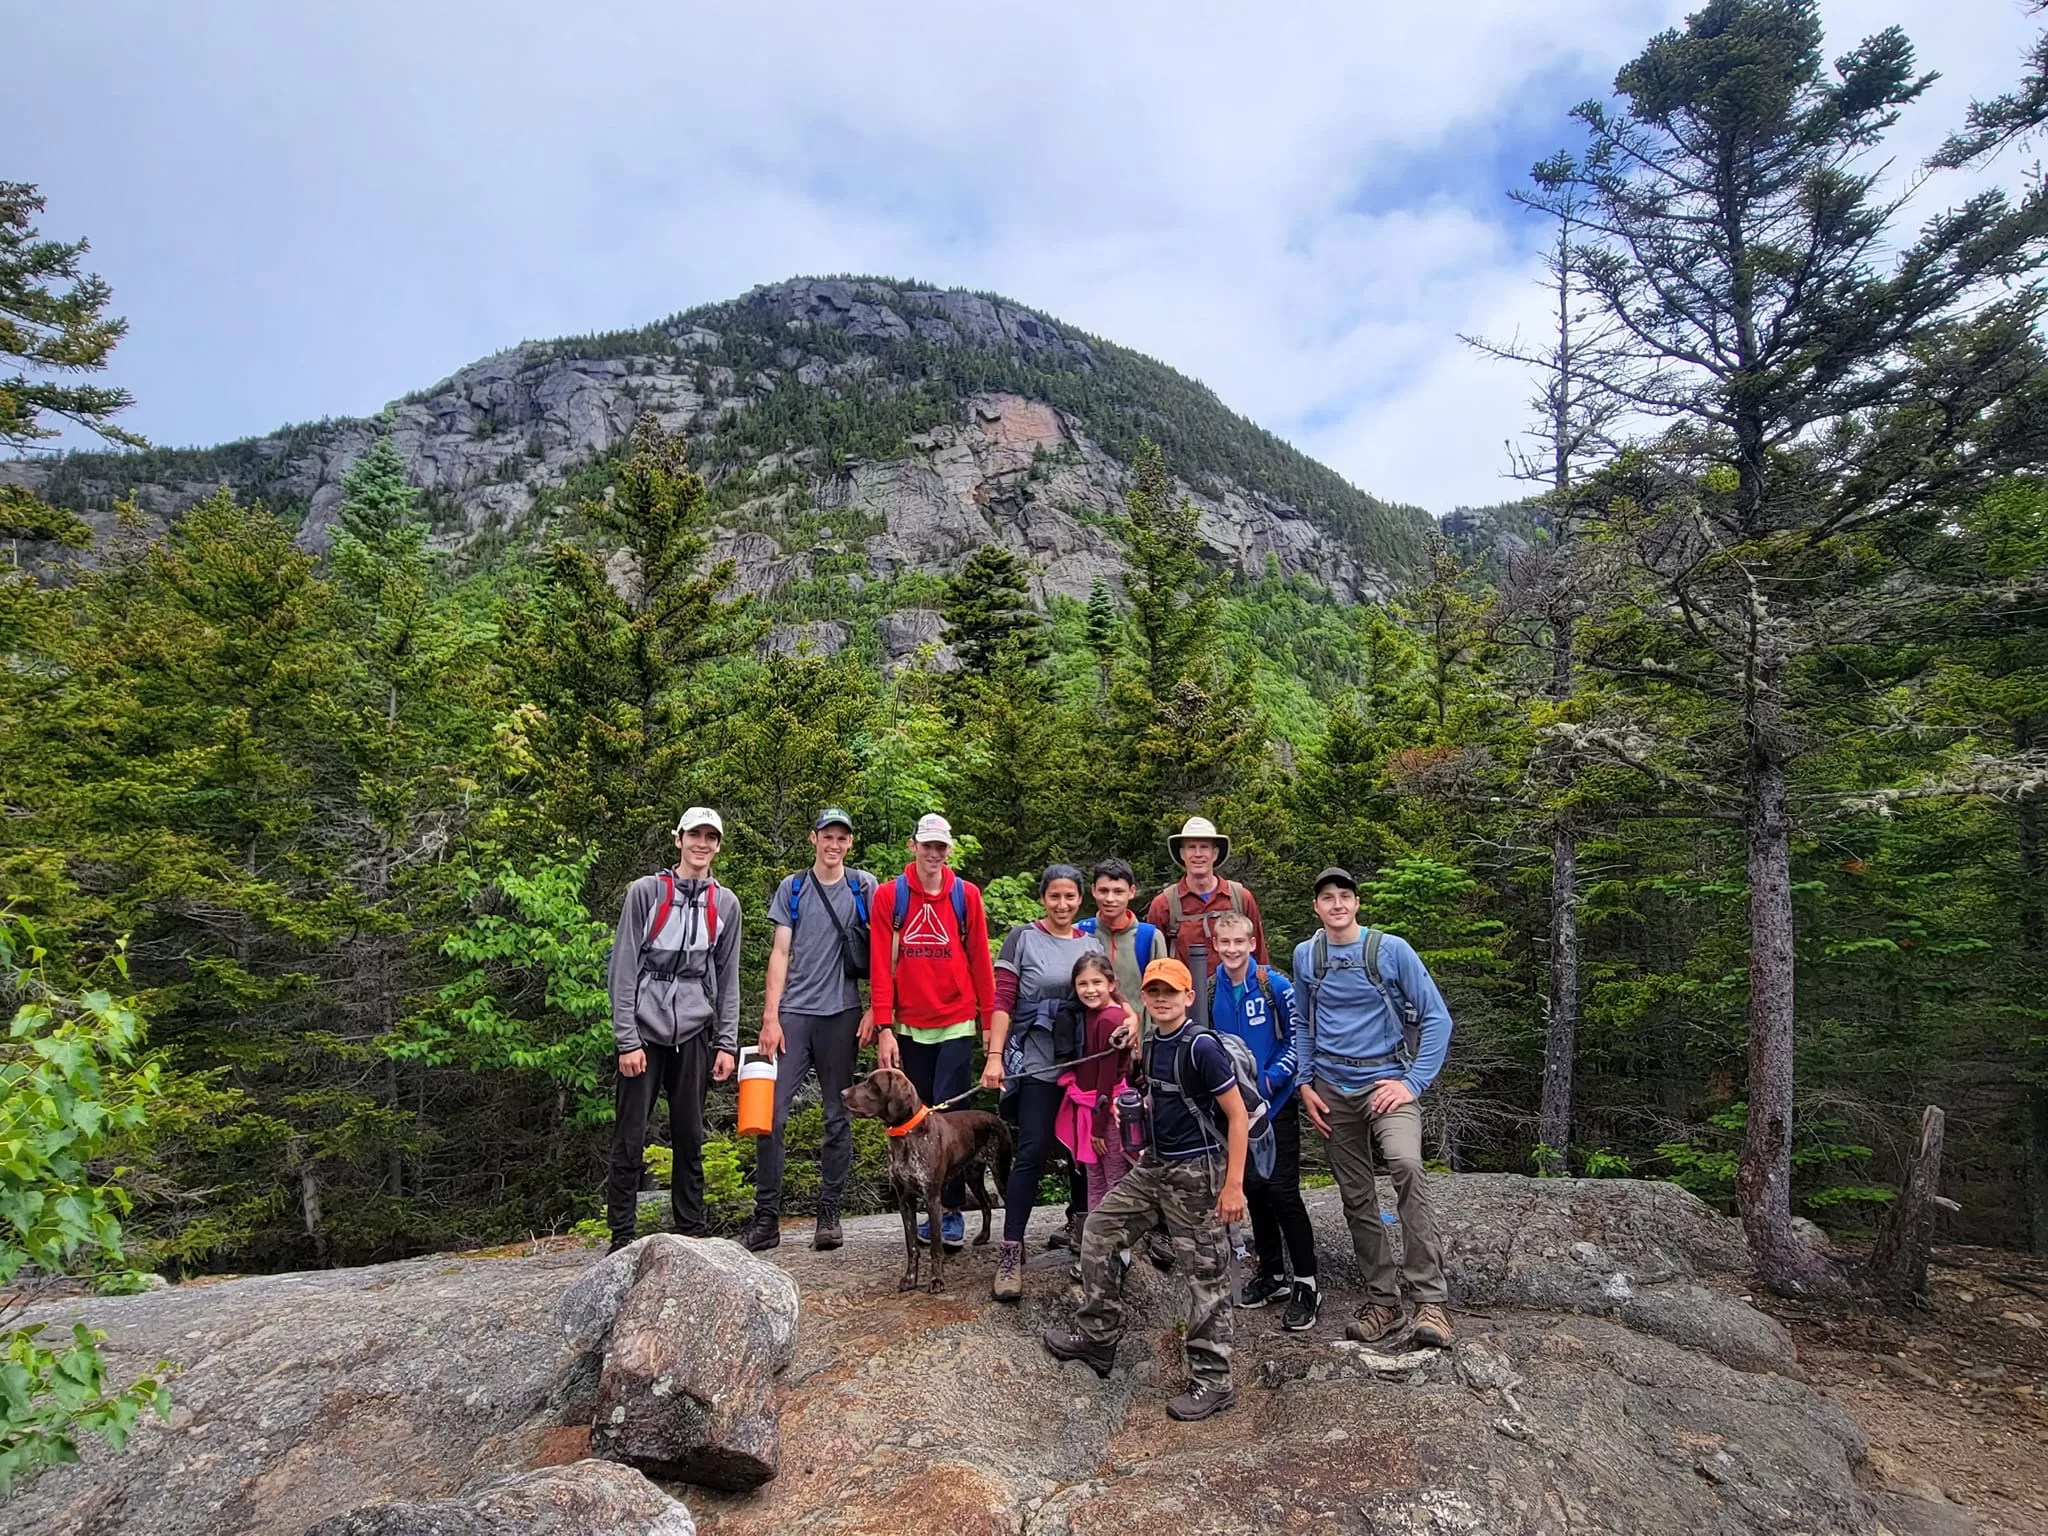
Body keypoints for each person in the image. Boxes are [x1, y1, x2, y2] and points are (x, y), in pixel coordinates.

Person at [1042, 957, 1246, 1422]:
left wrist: (1234, 1186)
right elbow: (1160, 1097)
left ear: (1188, 997)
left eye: (1170, 992)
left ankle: (1213, 1381)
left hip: (1199, 1172)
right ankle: (1098, 1338)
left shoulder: (1202, 1047)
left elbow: (1236, 1117)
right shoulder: (1152, 1044)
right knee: (1099, 1230)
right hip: (1153, 1166)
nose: (1161, 999)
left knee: (1205, 1275)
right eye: (1153, 992)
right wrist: (1136, 1114)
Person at [1295, 867, 1457, 1348]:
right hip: (1330, 1085)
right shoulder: (1309, 955)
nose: (1337, 904)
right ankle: (1383, 1302)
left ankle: (1431, 1301)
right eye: (1328, 898)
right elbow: (1304, 1023)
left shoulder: (1391, 949)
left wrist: (1412, 1083)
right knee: (1356, 1193)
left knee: (1407, 1166)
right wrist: (1306, 1084)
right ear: (1317, 908)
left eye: (1345, 896)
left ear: (1357, 903)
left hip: (1386, 1080)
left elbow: (1437, 1018)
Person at [604, 807, 741, 1253]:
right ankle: (622, 1234)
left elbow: (729, 976)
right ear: (678, 839)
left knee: (689, 1133)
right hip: (644, 1030)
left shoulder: (725, 904)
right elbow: (623, 968)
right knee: (630, 1134)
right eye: (695, 836)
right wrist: (626, 1039)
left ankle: (691, 1230)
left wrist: (726, 1043)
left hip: (695, 1029)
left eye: (710, 838)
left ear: (718, 845)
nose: (702, 844)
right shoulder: (646, 893)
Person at [743, 807, 878, 1254]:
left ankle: (829, 1215)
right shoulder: (794, 887)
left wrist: (877, 1008)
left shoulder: (864, 887)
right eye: (827, 836)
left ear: (850, 843)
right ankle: (766, 1218)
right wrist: (770, 1016)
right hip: (795, 1015)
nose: (834, 844)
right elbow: (780, 953)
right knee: (771, 1114)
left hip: (842, 1013)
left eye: (842, 837)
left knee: (838, 1116)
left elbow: (882, 951)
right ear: (813, 838)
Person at [868, 813, 996, 1250]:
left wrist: (987, 1025)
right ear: (913, 846)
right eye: (927, 845)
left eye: (941, 847)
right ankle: (923, 1208)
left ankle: (952, 1212)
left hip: (957, 1019)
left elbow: (981, 959)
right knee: (911, 1120)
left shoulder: (966, 896)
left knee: (949, 1121)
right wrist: (884, 1026)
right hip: (908, 1023)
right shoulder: (891, 896)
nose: (934, 854)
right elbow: (879, 967)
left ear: (949, 850)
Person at [981, 864, 1104, 1300]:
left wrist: (1127, 1020)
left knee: (1084, 1150)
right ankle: (1011, 1248)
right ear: (1043, 898)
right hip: (1037, 1059)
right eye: (1055, 896)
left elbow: (1109, 996)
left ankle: (1083, 1228)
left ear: (1080, 899)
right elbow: (1003, 1001)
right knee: (1032, 1148)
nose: (1063, 904)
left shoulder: (1091, 943)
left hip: (1084, 1060)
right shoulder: (1023, 938)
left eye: (1070, 896)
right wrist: (994, 1056)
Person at [1207, 909, 1318, 1330]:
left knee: (1283, 1192)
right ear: (1215, 946)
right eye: (1224, 943)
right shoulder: (1211, 988)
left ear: (1252, 943)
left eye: (1240, 942)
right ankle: (1272, 1275)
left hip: (1276, 1103)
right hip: (1235, 1112)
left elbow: (1298, 1039)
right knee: (1252, 1187)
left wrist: (1270, 1082)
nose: (1232, 950)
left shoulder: (1275, 986)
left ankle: (1307, 1282)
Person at [1055, 950, 1137, 1280]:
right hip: (1090, 1108)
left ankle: (1118, 1252)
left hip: (1106, 1112)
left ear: (1111, 984)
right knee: (1094, 1182)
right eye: (1082, 984)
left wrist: (1099, 1128)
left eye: (1097, 983)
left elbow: (1107, 1078)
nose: (1090, 990)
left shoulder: (1110, 1019)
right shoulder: (1088, 1015)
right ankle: (1097, 1253)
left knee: (1114, 1182)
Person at [1144, 816, 1269, 1015]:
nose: (1198, 854)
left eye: (1204, 847)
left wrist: (1265, 1000)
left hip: (1237, 1003)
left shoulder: (1239, 898)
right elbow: (1155, 967)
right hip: (1185, 1008)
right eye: (1191, 847)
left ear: (1215, 853)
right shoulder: (1164, 904)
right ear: (1182, 854)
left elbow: (1260, 955)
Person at [1076, 858, 1163, 1030]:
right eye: (1103, 891)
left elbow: (1162, 994)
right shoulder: (1080, 933)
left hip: (1139, 1044)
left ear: (1131, 892)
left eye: (1118, 892)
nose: (1110, 898)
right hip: (1089, 1042)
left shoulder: (1149, 937)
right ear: (1093, 890)